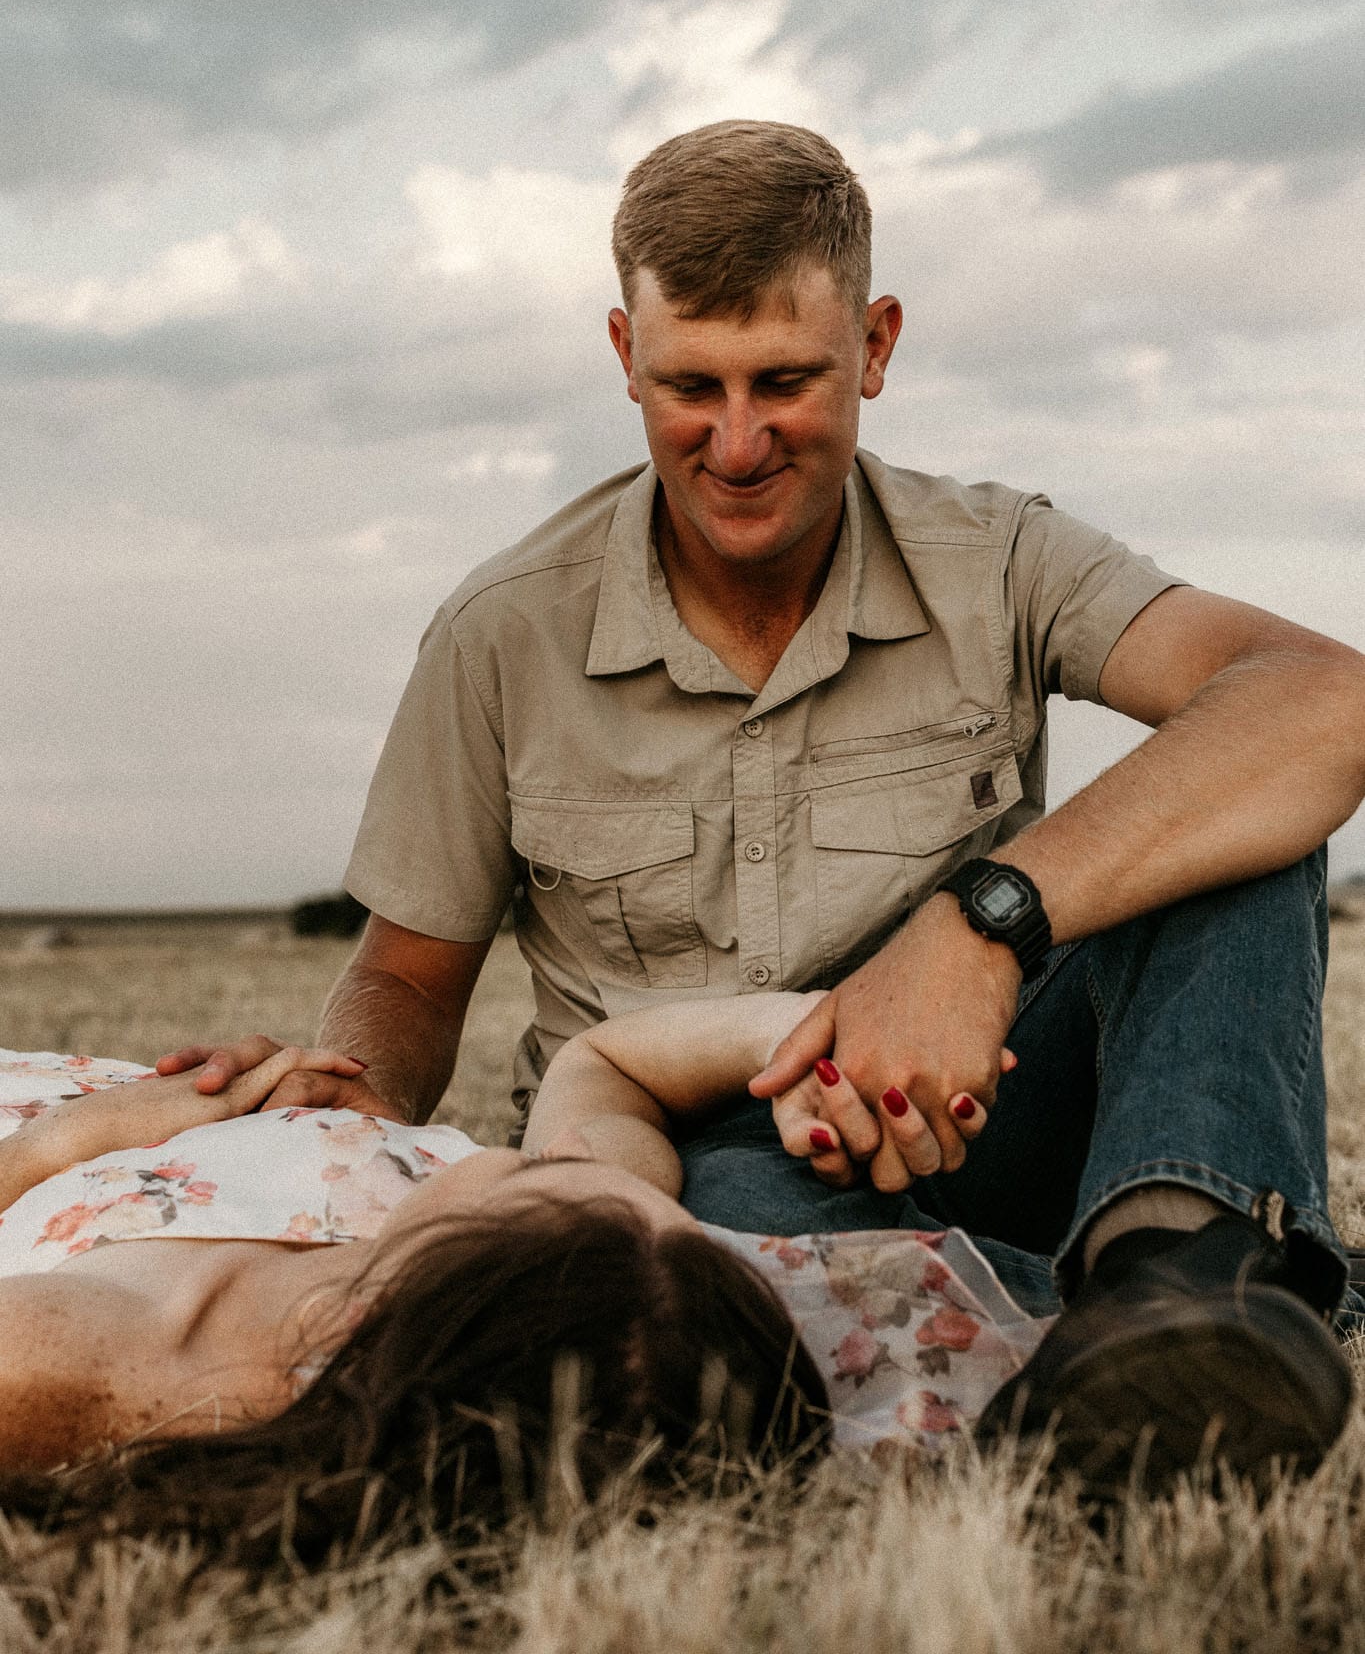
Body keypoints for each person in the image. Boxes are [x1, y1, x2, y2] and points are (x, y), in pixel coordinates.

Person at [168, 119, 1365, 1494]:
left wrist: (980, 927)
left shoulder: (1001, 557)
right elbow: (405, 978)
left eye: (785, 381)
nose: (736, 443)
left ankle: (1178, 1277)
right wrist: (341, 1102)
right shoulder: (500, 632)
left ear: (876, 346)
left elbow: (1319, 696)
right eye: (692, 385)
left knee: (1240, 809)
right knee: (700, 1270)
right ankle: (1164, 1312)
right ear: (625, 354)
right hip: (701, 1164)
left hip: (983, 1105)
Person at [0, 993, 842, 1563]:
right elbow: (604, 1066)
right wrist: (798, 1034)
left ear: (409, 1300)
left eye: (530, 1173)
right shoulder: (607, 1258)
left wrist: (67, 1140)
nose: (555, 1148)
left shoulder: (84, 1358)